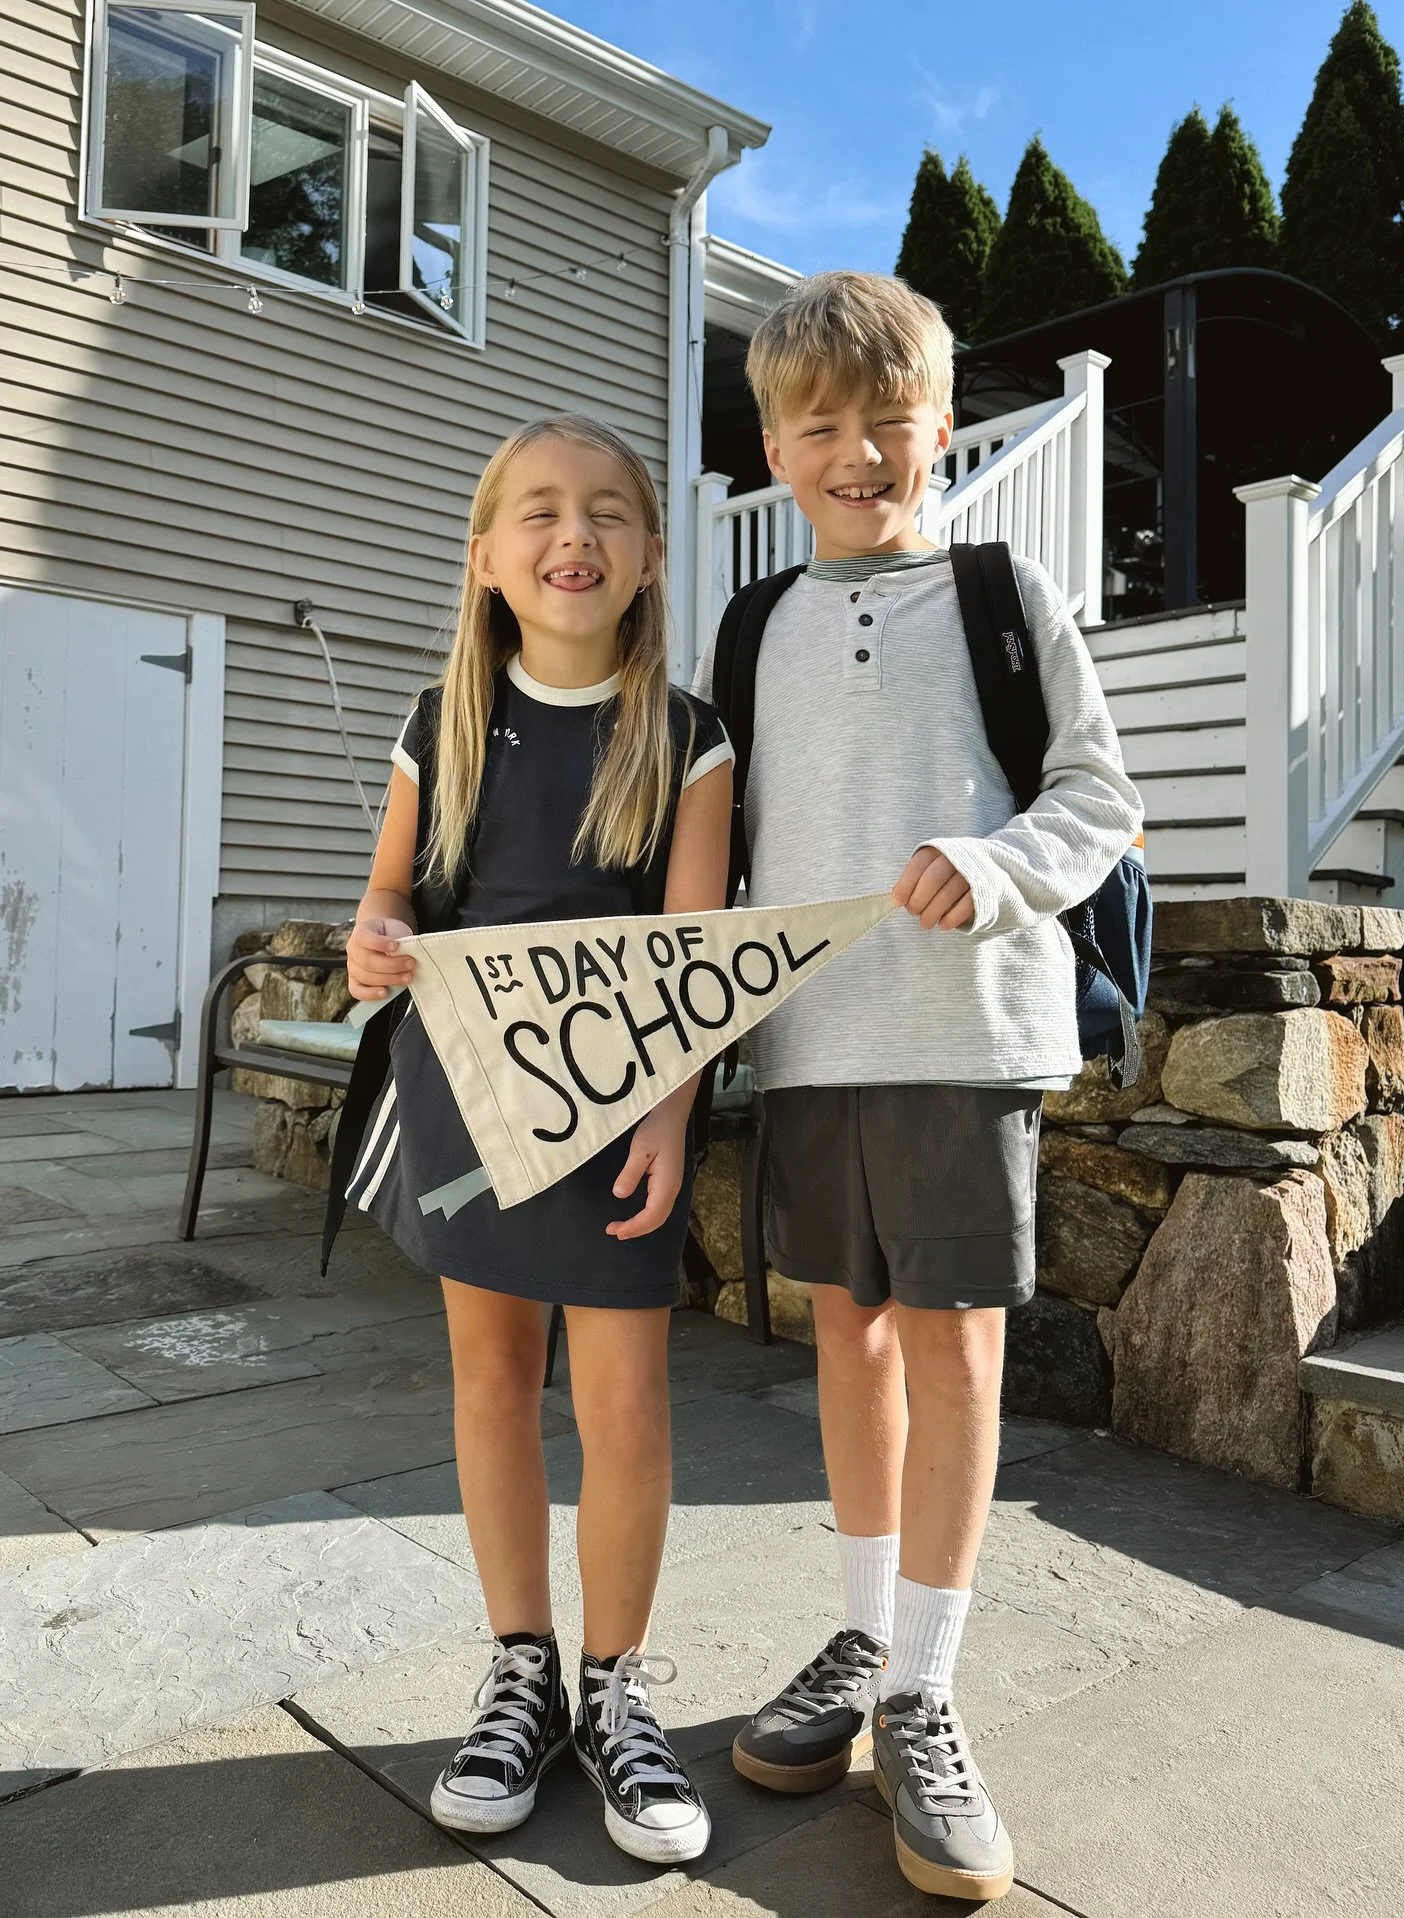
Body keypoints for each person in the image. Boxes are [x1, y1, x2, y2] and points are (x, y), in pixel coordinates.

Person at [697, 273, 1143, 1903]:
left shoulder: (1006, 589)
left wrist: (997, 862)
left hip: (965, 1037)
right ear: (774, 448)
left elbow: (1104, 799)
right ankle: (865, 1629)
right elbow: (712, 847)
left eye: (890, 422)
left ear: (940, 426)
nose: (859, 451)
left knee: (956, 1351)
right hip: (811, 1045)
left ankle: (927, 1685)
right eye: (822, 426)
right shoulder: (750, 630)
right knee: (845, 1333)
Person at [344, 414, 733, 1867]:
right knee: (494, 1380)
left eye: (610, 514)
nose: (576, 535)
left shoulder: (689, 736)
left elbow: (697, 956)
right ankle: (521, 1664)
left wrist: (670, 1114)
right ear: (489, 556)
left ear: (643, 559)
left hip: (622, 1113)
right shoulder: (436, 722)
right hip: (468, 1100)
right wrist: (376, 941)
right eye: (542, 513)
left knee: (625, 1402)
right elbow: (389, 901)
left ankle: (617, 1688)